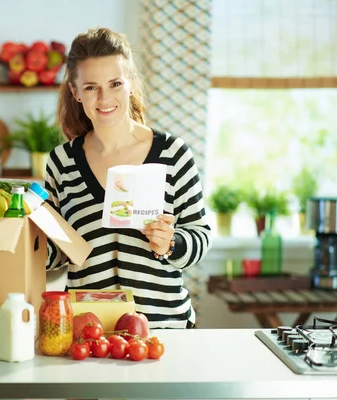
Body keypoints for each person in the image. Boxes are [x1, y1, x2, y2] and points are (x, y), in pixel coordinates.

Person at [44, 27, 212, 329]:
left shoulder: (173, 154)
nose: (105, 97)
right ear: (75, 91)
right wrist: (21, 240)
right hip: (88, 333)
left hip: (163, 330)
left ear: (131, 84)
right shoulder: (62, 162)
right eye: (92, 87)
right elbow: (57, 252)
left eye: (115, 83)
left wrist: (170, 244)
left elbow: (200, 236)